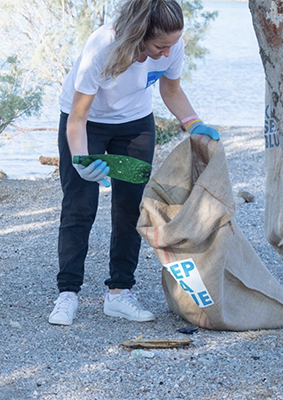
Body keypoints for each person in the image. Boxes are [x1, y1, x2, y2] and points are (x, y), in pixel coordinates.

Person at [49, 0, 220, 325]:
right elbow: (78, 116)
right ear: (139, 34)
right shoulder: (102, 46)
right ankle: (67, 293)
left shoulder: (173, 44)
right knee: (79, 206)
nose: (168, 54)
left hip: (136, 124)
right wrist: (81, 159)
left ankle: (119, 292)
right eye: (160, 46)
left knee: (130, 208)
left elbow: (171, 91)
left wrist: (193, 123)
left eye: (172, 45)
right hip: (88, 123)